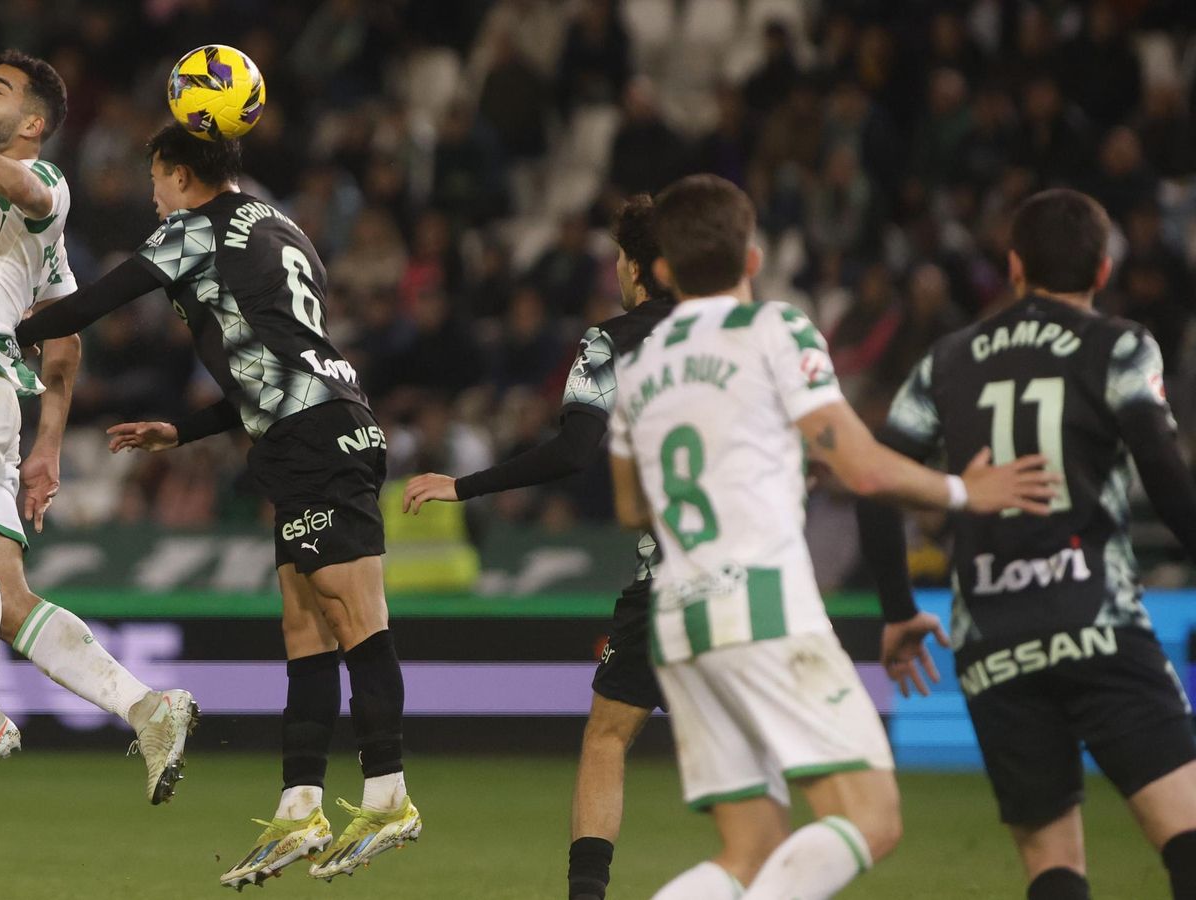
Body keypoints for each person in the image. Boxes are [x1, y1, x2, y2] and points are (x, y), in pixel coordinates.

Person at [606, 174, 1055, 900]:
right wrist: (964, 490)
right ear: (752, 259)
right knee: (872, 819)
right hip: (762, 605)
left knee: (747, 852)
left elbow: (632, 508)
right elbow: (859, 466)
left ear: (661, 270)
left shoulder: (637, 368)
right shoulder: (775, 330)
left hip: (680, 618)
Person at [15, 124, 420, 887]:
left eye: (156, 179)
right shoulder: (283, 226)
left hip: (317, 436)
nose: (153, 196)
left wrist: (8, 331)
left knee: (354, 613)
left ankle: (390, 795)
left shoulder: (189, 230)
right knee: (304, 627)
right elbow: (278, 360)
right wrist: (185, 427)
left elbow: (90, 305)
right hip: (311, 428)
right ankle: (301, 806)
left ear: (177, 172)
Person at [857, 188, 1196, 900]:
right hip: (1096, 623)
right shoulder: (1120, 345)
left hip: (992, 639)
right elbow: (1161, 467)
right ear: (1103, 272)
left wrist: (896, 607)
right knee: (1187, 835)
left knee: (1053, 865)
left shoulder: (947, 360)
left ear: (1013, 267)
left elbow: (878, 479)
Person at [0, 51, 196, 801]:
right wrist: (50, 445)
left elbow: (28, 184)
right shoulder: (35, 239)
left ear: (32, 123)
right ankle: (148, 708)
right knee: (7, 595)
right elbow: (65, 338)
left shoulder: (45, 187)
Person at [402, 193, 671, 900]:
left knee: (608, 738)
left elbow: (574, 451)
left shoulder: (608, 341)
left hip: (669, 577)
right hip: (757, 571)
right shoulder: (744, 334)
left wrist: (463, 486)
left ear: (637, 267)